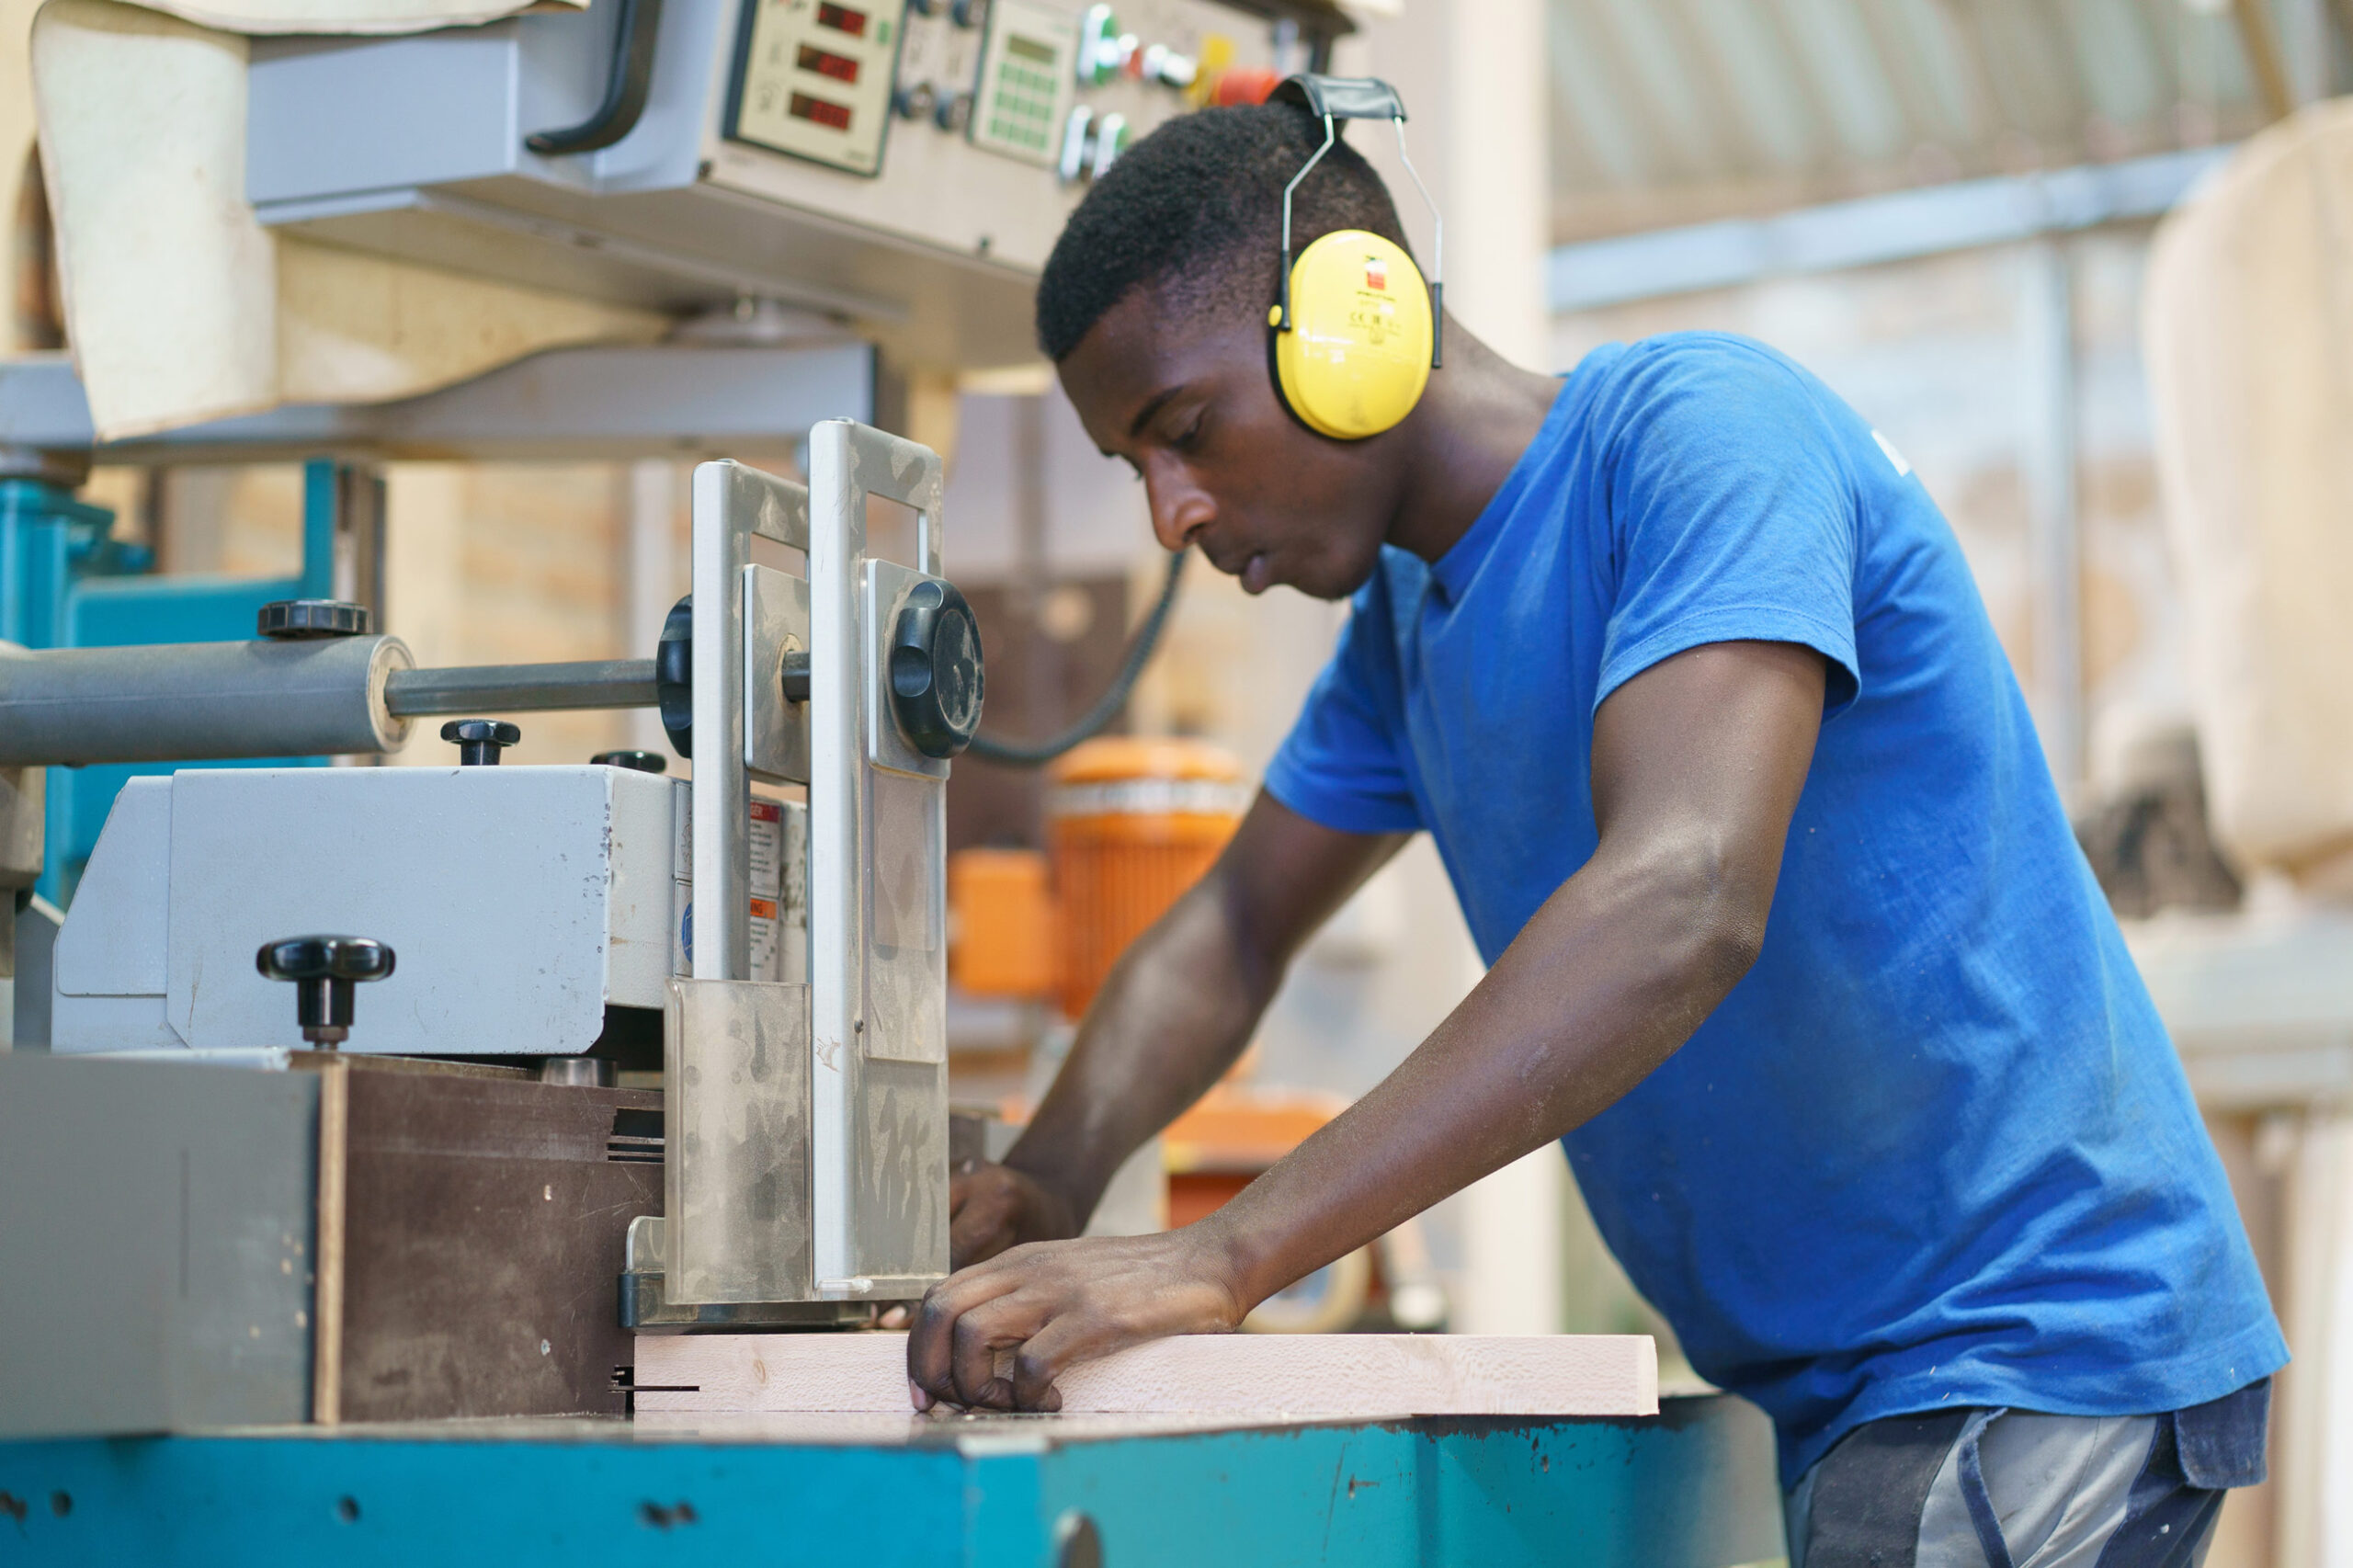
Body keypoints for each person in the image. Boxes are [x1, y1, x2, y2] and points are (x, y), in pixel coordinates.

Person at [908, 90, 2283, 1566]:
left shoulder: (1700, 440)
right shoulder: (1403, 633)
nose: (1171, 512)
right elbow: (1232, 930)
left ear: (1355, 319)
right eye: (1134, 468)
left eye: (1185, 431)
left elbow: (1682, 900)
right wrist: (1047, 1178)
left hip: (2026, 1331)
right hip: (1864, 1385)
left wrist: (1221, 1252)